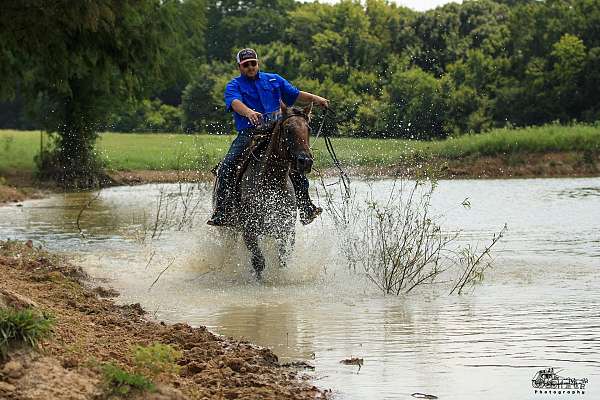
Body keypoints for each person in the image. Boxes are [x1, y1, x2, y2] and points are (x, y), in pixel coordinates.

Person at [207, 48, 329, 227]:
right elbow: (234, 103)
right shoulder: (234, 85)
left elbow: (295, 94)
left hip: (277, 131)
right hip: (250, 133)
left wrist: (317, 99)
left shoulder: (274, 79)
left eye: (253, 63)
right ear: (239, 67)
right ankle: (223, 211)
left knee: (298, 159)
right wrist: (248, 112)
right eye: (246, 65)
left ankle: (305, 206)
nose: (250, 67)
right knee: (227, 165)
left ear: (258, 63)